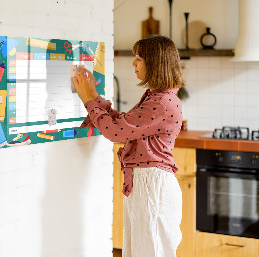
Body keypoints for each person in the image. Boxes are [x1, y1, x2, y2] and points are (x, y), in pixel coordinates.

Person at [72, 35, 184, 257]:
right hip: (147, 184)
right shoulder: (157, 97)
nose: (133, 63)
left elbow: (115, 132)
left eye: (139, 58)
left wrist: (87, 99)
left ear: (155, 63)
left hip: (152, 186)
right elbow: (123, 124)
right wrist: (93, 95)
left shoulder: (161, 102)